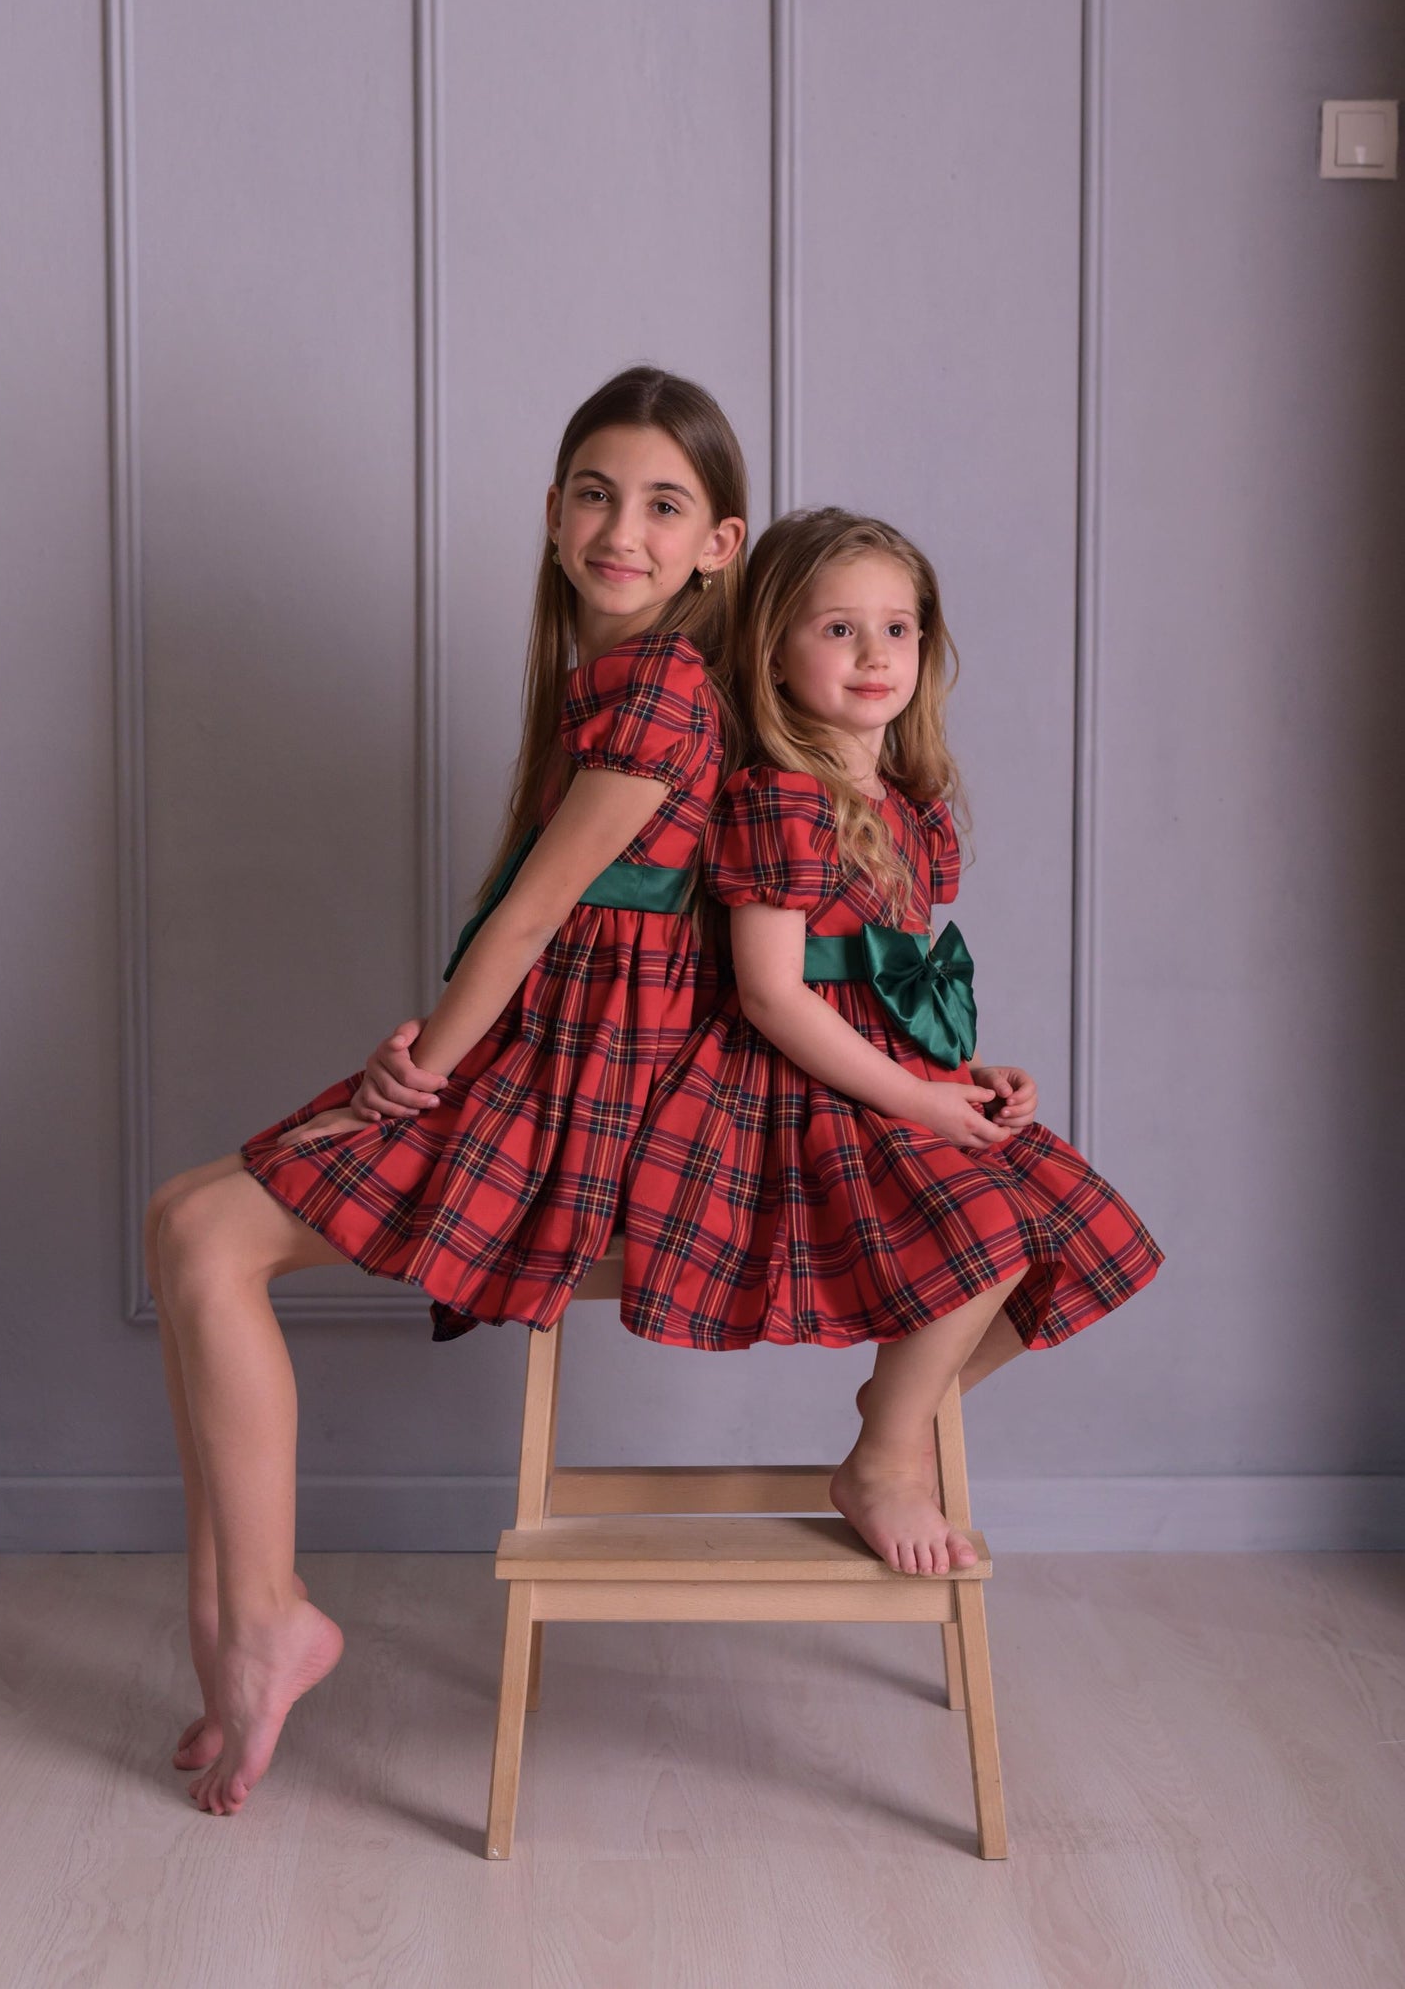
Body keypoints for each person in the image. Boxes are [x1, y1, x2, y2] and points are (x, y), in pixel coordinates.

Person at [145, 366, 748, 1814]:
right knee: (182, 1212)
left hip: (594, 1107)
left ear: (720, 543)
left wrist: (426, 1061)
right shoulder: (598, 682)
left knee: (211, 1238)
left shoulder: (664, 687)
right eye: (597, 493)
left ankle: (271, 1612)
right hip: (545, 1061)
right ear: (550, 515)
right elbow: (525, 928)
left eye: (666, 504)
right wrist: (439, 1044)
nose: (624, 528)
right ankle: (230, 1622)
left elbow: (538, 914)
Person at [622, 506, 1162, 1577]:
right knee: (985, 1234)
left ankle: (897, 1409)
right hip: (785, 1094)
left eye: (899, 629)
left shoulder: (907, 801)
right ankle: (882, 1460)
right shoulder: (780, 797)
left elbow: (894, 984)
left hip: (891, 1077)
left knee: (1090, 1234)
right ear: (773, 651)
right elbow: (776, 997)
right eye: (837, 630)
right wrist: (917, 1103)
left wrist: (964, 1071)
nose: (876, 656)